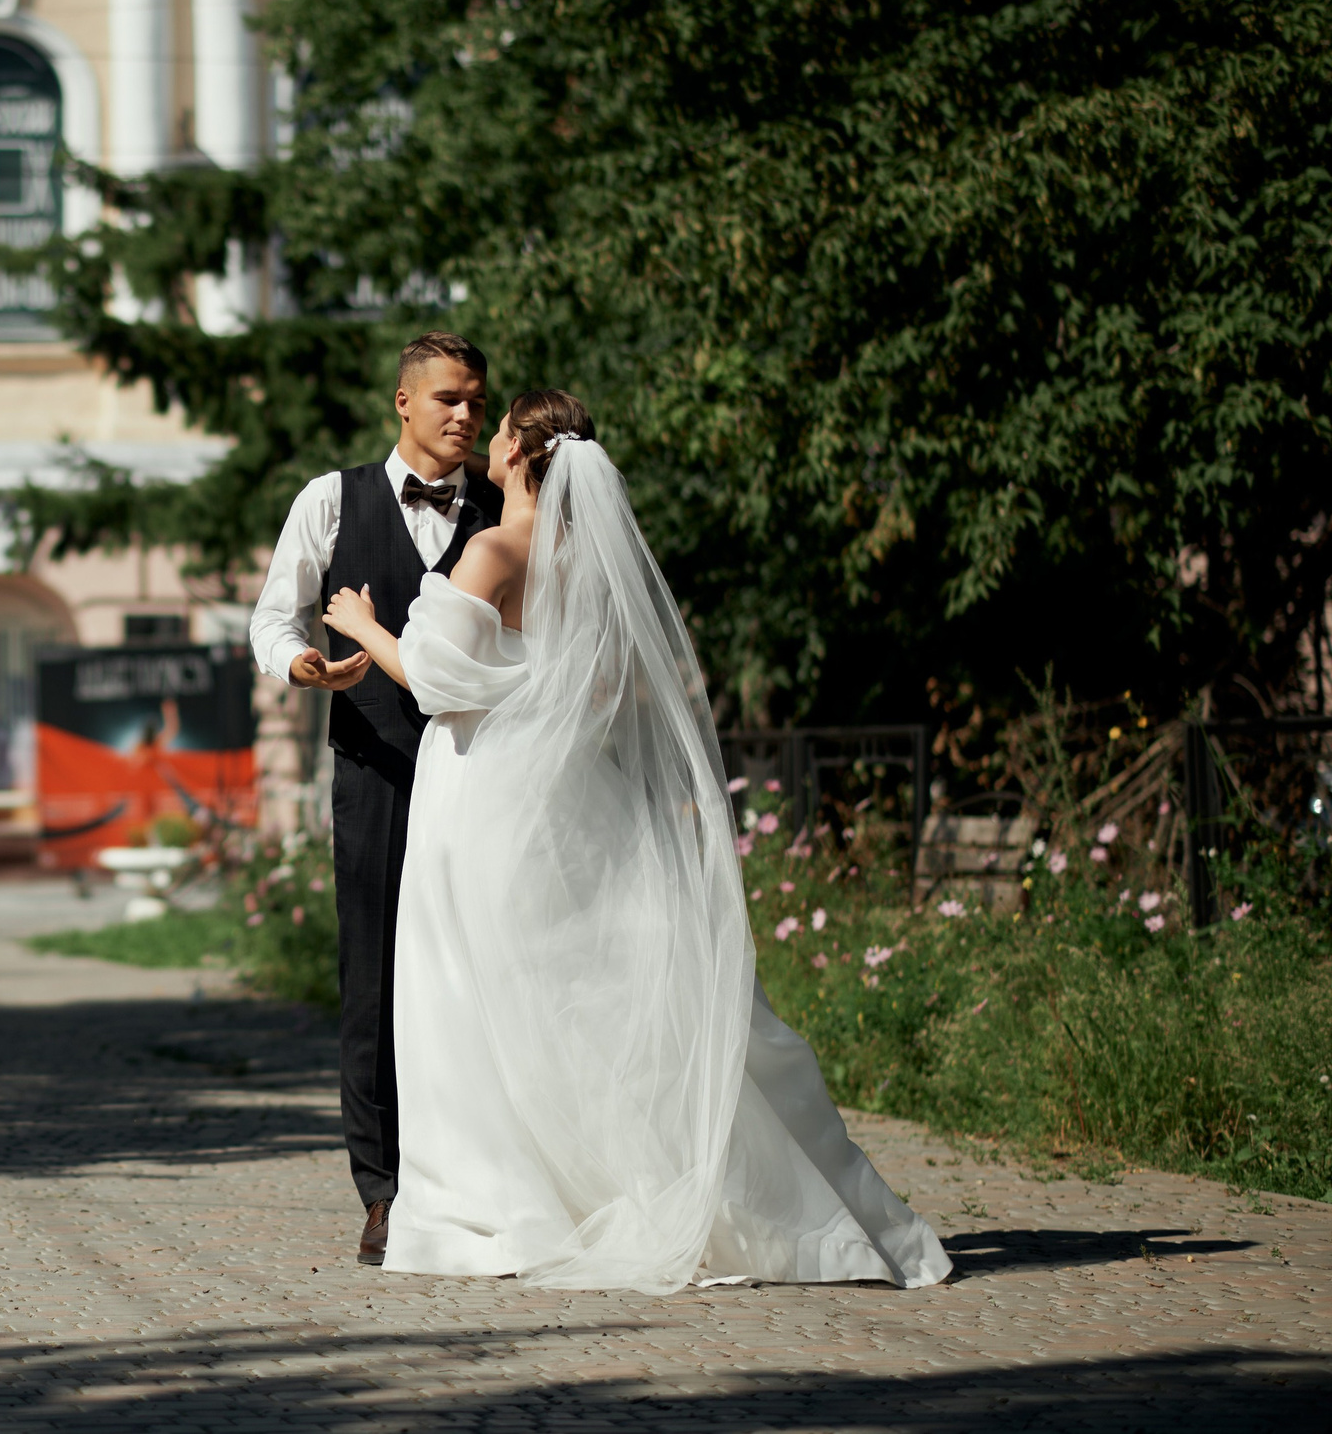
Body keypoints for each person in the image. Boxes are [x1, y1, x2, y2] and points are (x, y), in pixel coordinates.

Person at [321, 391, 950, 1294]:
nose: (488, 439)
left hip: (484, 794)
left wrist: (365, 625)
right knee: (587, 992)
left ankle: (513, 1197)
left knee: (473, 991)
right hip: (574, 798)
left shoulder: (495, 549)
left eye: (500, 432)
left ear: (522, 457)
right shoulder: (594, 564)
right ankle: (668, 1186)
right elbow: (608, 688)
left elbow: (434, 683)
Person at [250, 332, 501, 1266]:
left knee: (481, 975)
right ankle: (385, 1192)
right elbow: (272, 615)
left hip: (485, 778)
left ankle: (478, 1178)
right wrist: (302, 663)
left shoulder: (504, 508)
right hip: (375, 775)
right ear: (404, 402)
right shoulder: (331, 499)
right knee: (376, 985)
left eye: (476, 400)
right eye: (447, 399)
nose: (466, 416)